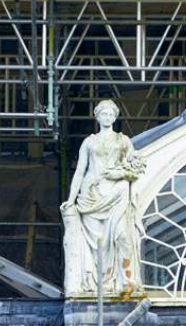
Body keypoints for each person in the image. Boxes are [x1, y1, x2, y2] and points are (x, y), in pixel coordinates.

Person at [61, 99, 146, 298]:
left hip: (117, 193)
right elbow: (80, 171)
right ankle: (100, 283)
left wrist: (121, 175)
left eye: (110, 114)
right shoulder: (89, 142)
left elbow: (136, 170)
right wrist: (71, 199)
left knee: (123, 236)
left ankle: (126, 283)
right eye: (103, 114)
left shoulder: (123, 140)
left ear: (115, 118)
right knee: (99, 243)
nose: (107, 117)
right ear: (97, 117)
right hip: (92, 195)